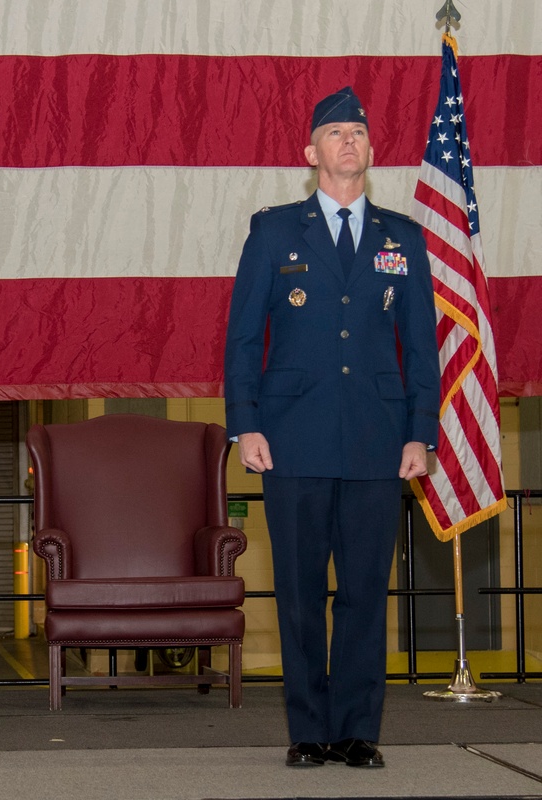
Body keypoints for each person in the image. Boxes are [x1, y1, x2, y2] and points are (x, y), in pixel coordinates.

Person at [224, 88, 439, 769]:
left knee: (364, 595)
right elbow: (242, 339)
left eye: (358, 132)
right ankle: (308, 731)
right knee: (298, 594)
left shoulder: (400, 238)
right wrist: (244, 425)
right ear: (310, 152)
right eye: (335, 132)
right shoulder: (275, 233)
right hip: (292, 438)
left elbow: (422, 347)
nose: (349, 141)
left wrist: (421, 433)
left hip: (379, 442)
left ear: (370, 151)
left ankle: (357, 730)